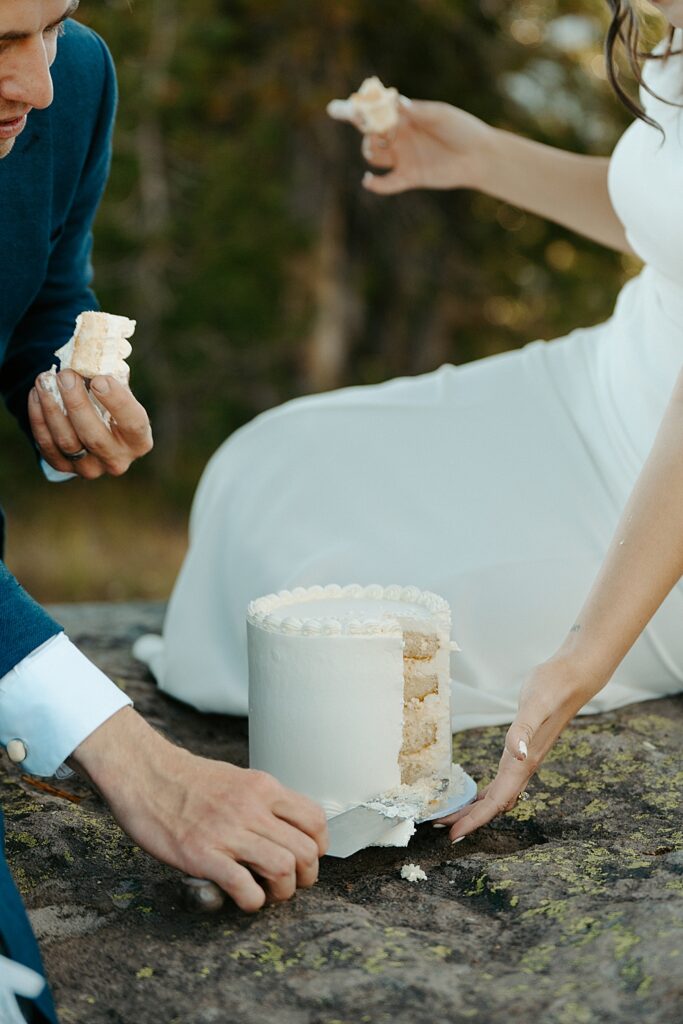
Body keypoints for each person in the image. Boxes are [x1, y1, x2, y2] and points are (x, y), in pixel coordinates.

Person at [139, 6, 683, 837]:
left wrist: (582, 654)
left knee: (354, 639)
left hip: (659, 510)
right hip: (597, 378)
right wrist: (479, 157)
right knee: (266, 468)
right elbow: (664, 220)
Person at [0, 5, 327, 1021]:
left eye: (49, 23)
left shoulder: (77, 82)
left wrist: (59, 390)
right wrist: (136, 762)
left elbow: (47, 293)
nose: (39, 82)